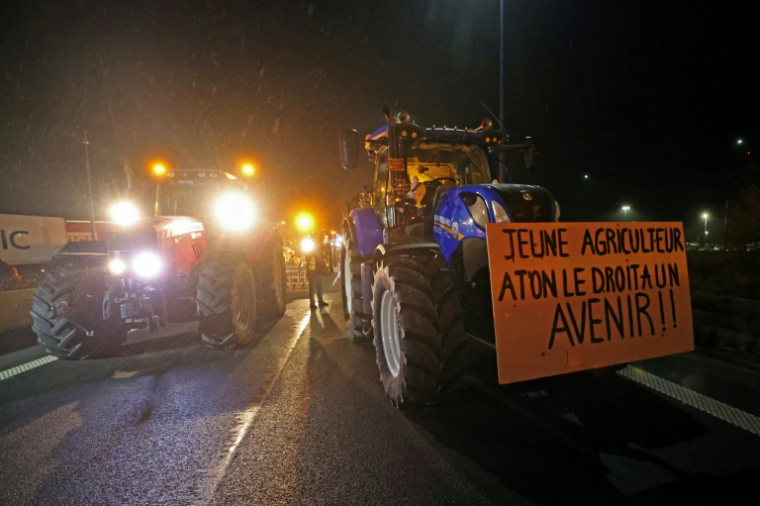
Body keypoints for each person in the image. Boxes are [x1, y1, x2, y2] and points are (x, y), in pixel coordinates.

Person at [305, 234, 330, 310]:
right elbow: (307, 257)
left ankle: (320, 301)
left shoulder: (319, 250)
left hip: (318, 272)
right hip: (312, 272)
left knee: (320, 288)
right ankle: (312, 303)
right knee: (312, 289)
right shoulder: (309, 249)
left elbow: (324, 257)